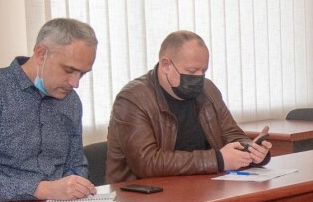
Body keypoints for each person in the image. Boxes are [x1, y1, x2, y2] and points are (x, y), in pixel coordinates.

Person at [0, 18, 98, 202]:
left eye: (82, 74)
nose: (75, 83)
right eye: (68, 70)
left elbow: (76, 164)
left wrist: (76, 186)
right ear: (41, 54)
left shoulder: (71, 101)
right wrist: (41, 189)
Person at [106, 31, 271, 183]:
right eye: (192, 71)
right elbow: (146, 163)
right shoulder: (132, 99)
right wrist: (218, 160)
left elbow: (232, 135)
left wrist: (253, 150)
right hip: (141, 196)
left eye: (203, 71)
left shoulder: (208, 90)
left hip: (202, 188)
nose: (199, 78)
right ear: (165, 65)